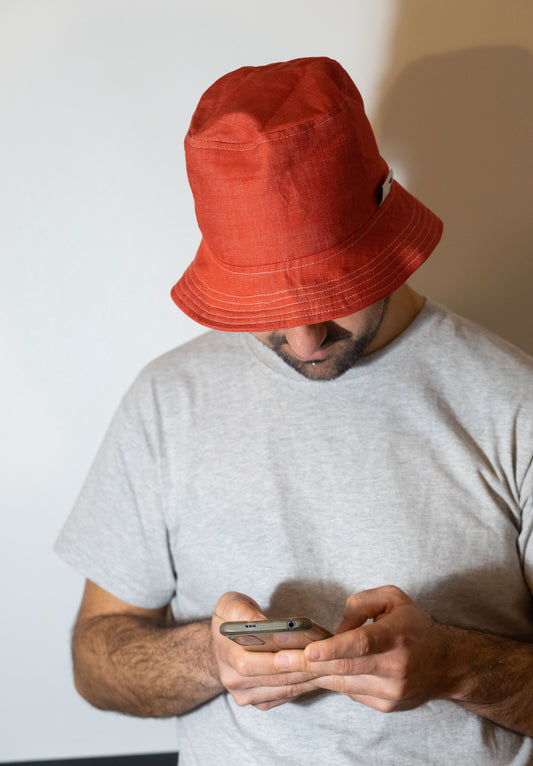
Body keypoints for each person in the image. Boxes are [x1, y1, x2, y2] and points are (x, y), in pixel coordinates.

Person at [55, 57, 533, 765]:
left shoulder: (512, 401)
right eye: (269, 312)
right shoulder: (167, 400)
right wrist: (209, 659)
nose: (305, 341)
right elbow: (96, 660)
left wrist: (456, 666)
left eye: (332, 294)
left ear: (382, 220)